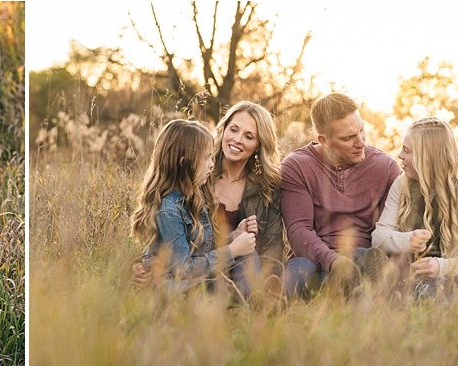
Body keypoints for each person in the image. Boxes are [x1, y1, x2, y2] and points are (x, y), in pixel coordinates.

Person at [133, 102, 289, 301]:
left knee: (256, 259)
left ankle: (260, 297)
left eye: (249, 136)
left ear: (259, 144)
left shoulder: (267, 187)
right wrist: (141, 265)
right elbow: (168, 239)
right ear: (223, 129)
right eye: (233, 129)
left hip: (241, 268)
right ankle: (248, 299)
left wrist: (237, 238)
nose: (237, 139)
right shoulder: (197, 179)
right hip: (202, 271)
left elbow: (273, 245)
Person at [371, 117, 458, 297]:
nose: (399, 155)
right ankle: (396, 290)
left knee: (432, 289)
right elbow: (378, 237)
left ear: (427, 158)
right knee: (387, 263)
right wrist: (408, 240)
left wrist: (443, 267)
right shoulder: (402, 184)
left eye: (406, 151)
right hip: (423, 277)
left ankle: (395, 293)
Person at [281, 93, 401, 296]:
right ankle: (275, 299)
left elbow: (391, 230)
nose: (361, 142)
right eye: (348, 138)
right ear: (323, 140)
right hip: (313, 260)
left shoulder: (386, 167)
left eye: (362, 130)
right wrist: (333, 261)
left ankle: (357, 291)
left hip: (361, 259)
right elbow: (298, 231)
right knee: (300, 270)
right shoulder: (297, 166)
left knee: (364, 257)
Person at [130, 119, 257, 293]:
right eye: (206, 158)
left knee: (246, 254)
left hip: (193, 278)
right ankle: (251, 299)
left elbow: (203, 248)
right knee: (222, 286)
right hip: (174, 284)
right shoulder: (168, 210)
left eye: (211, 157)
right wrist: (231, 251)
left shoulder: (194, 198)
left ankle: (252, 297)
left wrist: (234, 236)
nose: (212, 164)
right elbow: (183, 270)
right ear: (184, 162)